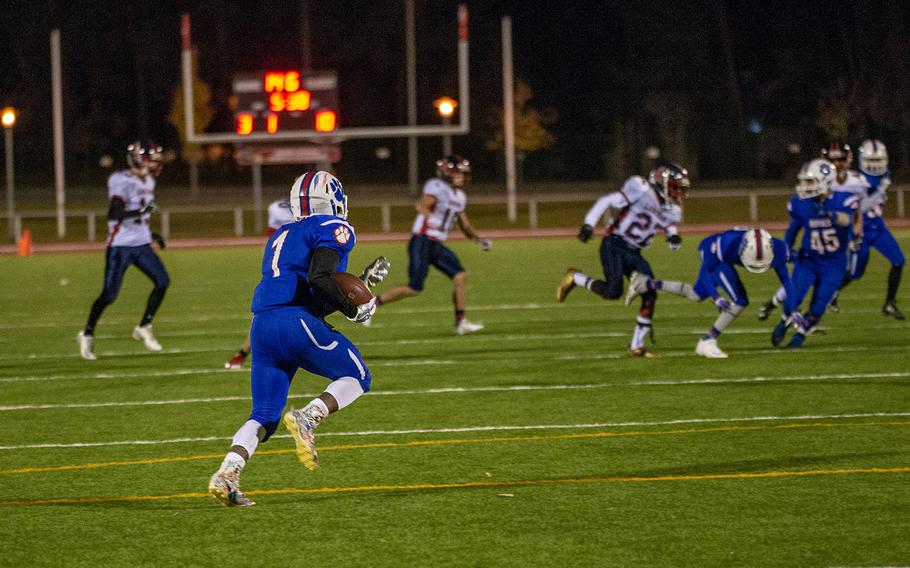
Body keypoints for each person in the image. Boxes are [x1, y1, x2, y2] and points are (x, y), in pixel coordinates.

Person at [208, 171, 389, 507]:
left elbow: (312, 295)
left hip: (263, 327)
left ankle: (228, 472)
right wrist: (354, 311)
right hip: (294, 323)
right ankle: (309, 417)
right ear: (333, 200)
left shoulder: (281, 234)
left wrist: (359, 282)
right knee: (358, 375)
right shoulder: (333, 227)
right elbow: (320, 277)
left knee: (264, 415)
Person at [556, 163, 689, 357]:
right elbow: (606, 201)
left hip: (634, 252)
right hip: (615, 244)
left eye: (680, 188)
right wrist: (588, 224)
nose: (679, 192)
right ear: (662, 182)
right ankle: (575, 277)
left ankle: (636, 346)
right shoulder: (641, 189)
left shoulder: (672, 210)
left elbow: (667, 223)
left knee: (650, 292)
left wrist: (672, 236)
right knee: (613, 292)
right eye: (675, 187)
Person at [368, 155, 491, 335]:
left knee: (460, 276)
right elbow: (421, 205)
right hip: (422, 241)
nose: (462, 177)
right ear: (446, 174)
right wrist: (430, 217)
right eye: (458, 174)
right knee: (414, 288)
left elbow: (464, 224)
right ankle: (371, 306)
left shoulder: (460, 196)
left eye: (463, 174)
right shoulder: (437, 187)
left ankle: (460, 322)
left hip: (436, 245)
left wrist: (478, 240)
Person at [626, 228, 796, 358]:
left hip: (723, 254)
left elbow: (787, 282)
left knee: (696, 295)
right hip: (712, 252)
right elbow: (707, 272)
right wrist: (716, 298)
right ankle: (708, 340)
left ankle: (644, 283)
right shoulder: (726, 246)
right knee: (740, 300)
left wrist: (793, 310)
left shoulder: (779, 249)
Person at [77, 140, 169, 360]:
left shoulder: (148, 181)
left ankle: (144, 326)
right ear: (138, 159)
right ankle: (87, 333)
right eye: (151, 158)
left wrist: (152, 234)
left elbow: (141, 217)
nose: (155, 163)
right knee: (109, 295)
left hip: (141, 244)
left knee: (162, 281)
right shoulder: (120, 180)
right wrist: (142, 211)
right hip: (120, 246)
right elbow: (114, 214)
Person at [770, 158, 862, 348]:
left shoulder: (843, 200)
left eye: (810, 181)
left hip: (834, 262)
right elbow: (792, 231)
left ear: (826, 181)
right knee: (792, 298)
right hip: (808, 260)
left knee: (820, 304)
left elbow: (850, 221)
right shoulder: (800, 204)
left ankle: (800, 335)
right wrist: (788, 251)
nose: (805, 185)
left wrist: (834, 216)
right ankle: (783, 321)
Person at [224, 197, 297, 369]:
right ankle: (243, 353)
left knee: (272, 315)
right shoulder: (298, 216)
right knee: (268, 314)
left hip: (288, 272)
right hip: (287, 272)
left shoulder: (308, 218)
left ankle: (242, 354)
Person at [837, 139, 904, 319]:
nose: (875, 165)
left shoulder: (885, 173)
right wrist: (880, 191)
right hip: (862, 230)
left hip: (878, 227)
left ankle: (889, 303)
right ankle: (831, 293)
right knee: (855, 273)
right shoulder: (856, 181)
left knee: (898, 261)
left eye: (878, 160)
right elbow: (861, 208)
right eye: (871, 161)